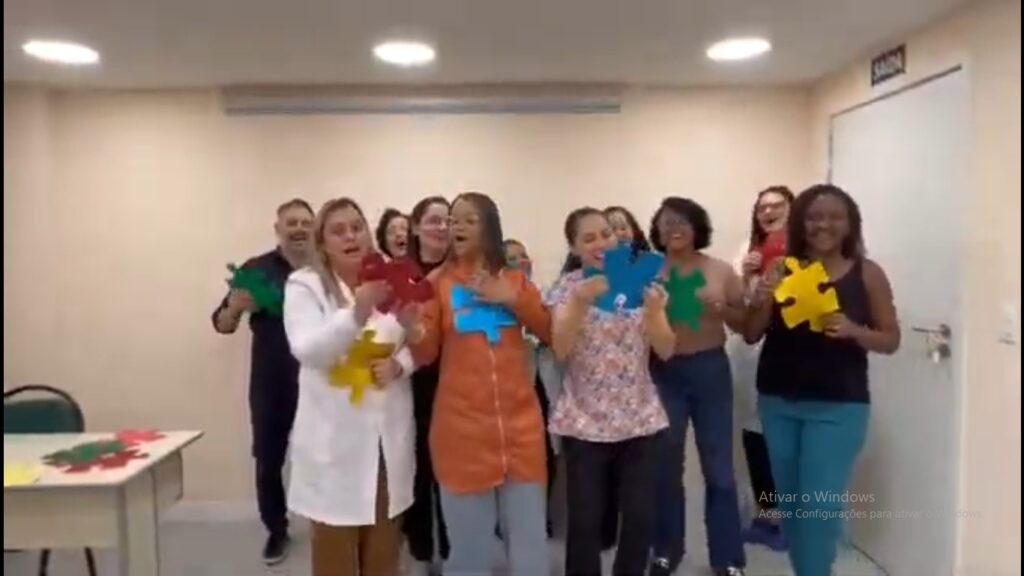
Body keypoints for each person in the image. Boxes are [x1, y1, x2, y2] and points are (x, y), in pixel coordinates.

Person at [745, 184, 900, 576]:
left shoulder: (868, 273)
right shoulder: (783, 269)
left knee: (818, 508)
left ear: (850, 223)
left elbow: (890, 339)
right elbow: (750, 332)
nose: (823, 225)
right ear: (800, 223)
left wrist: (854, 330)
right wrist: (762, 298)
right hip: (777, 401)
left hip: (839, 406)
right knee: (793, 508)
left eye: (834, 216)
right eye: (814, 217)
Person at [409, 192, 552, 576]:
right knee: (469, 553)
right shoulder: (437, 284)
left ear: (490, 228)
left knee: (530, 547)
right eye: (453, 220)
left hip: (520, 432)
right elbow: (424, 353)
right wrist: (411, 327)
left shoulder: (515, 280)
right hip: (462, 433)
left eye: (468, 220)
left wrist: (513, 299)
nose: (456, 226)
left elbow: (550, 332)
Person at [283, 197, 420, 576]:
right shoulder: (305, 285)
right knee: (336, 558)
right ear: (323, 243)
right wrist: (356, 312)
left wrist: (401, 363)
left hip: (386, 442)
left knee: (383, 556)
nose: (350, 236)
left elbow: (415, 343)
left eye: (357, 227)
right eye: (338, 231)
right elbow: (307, 350)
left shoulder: (391, 279)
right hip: (335, 444)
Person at [547, 207, 675, 576]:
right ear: (575, 247)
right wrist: (579, 302)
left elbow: (666, 349)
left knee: (639, 518)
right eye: (588, 238)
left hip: (640, 420)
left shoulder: (641, 282)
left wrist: (655, 313)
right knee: (585, 522)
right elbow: (560, 350)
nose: (601, 243)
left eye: (606, 234)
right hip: (584, 422)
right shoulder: (567, 288)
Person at [648, 197, 747, 576]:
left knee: (719, 468)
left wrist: (722, 309)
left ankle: (728, 558)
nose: (674, 228)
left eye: (683, 221)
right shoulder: (648, 271)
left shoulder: (719, 270)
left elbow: (746, 325)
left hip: (710, 370)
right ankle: (665, 550)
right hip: (662, 372)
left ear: (697, 228)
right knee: (665, 465)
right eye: (667, 222)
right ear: (657, 230)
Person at [211, 198, 313, 565]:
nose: (299, 228)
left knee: (327, 455)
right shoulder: (256, 269)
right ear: (278, 229)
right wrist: (236, 306)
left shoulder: (327, 268)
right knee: (268, 460)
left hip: (321, 381)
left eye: (305, 222)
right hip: (272, 383)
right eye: (291, 222)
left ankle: (331, 525)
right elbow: (222, 324)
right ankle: (277, 530)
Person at [729, 186, 794, 552]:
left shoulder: (807, 249)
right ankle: (767, 515)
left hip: (794, 357)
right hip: (750, 354)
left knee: (788, 437)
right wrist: (745, 276)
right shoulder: (747, 250)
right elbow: (737, 305)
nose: (768, 212)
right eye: (762, 208)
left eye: (777, 205)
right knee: (755, 436)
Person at [404, 196, 452, 576]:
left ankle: (453, 552)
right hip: (411, 384)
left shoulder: (463, 271)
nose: (442, 227)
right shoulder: (399, 272)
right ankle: (421, 552)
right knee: (418, 470)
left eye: (448, 220)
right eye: (434, 220)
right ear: (416, 227)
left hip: (456, 382)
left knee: (453, 473)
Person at [600, 205, 652, 548]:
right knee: (601, 467)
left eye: (622, 227)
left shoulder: (651, 272)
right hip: (597, 383)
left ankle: (638, 539)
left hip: (641, 380)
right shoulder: (584, 276)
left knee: (637, 469)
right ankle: (604, 532)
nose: (617, 234)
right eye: (609, 229)